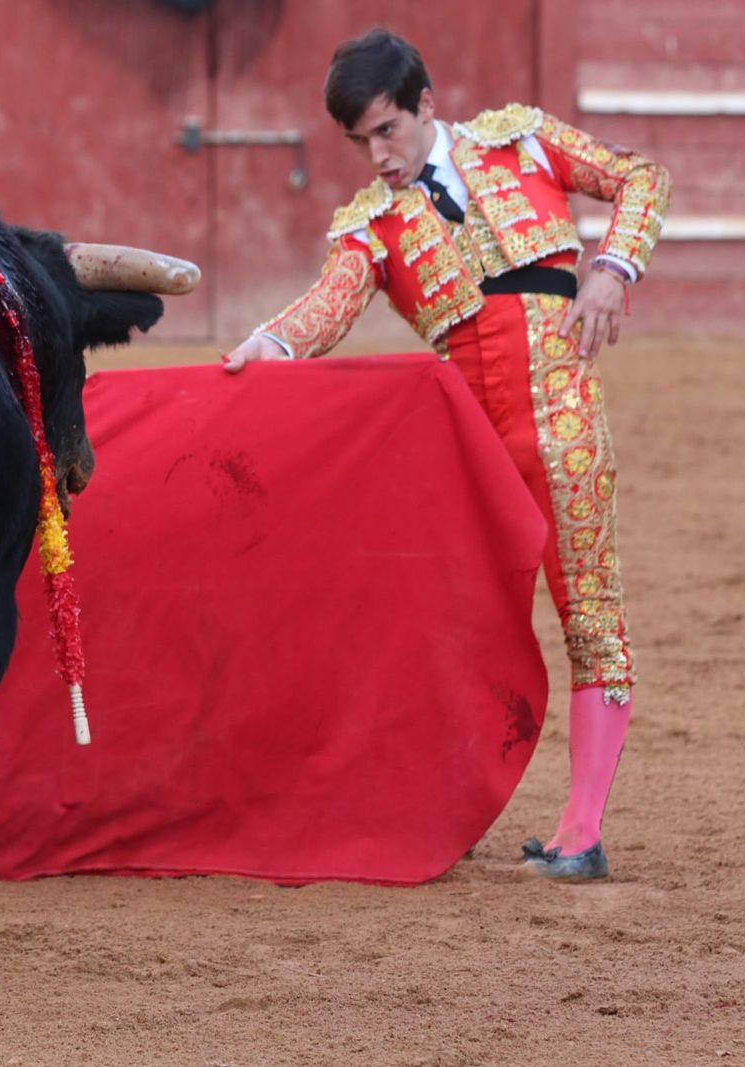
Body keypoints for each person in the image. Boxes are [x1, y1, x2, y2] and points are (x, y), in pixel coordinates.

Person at [223, 28, 671, 881]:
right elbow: (327, 305)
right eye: (361, 141)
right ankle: (448, 810)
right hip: (467, 454)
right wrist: (266, 345)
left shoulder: (522, 142)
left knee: (590, 615)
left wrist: (613, 268)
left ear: (426, 104)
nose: (378, 157)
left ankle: (581, 830)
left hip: (563, 425)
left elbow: (641, 176)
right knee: (456, 629)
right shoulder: (372, 225)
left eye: (387, 130)